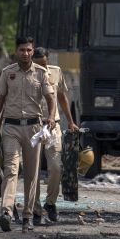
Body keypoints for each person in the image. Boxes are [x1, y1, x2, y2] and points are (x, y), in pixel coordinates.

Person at [0, 36, 56, 233]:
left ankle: (28, 215)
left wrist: (51, 117)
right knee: (11, 169)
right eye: (22, 50)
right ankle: (6, 212)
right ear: (16, 52)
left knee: (31, 174)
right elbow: (0, 100)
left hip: (34, 129)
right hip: (10, 127)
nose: (25, 53)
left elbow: (50, 99)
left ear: (32, 51)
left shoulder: (41, 73)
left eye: (29, 50)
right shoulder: (7, 73)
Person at [31, 47, 79, 225]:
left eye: (44, 63)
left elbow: (62, 98)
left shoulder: (56, 72)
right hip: (33, 126)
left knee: (56, 167)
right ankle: (35, 209)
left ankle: (50, 203)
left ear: (47, 59)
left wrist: (71, 121)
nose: (41, 67)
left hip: (53, 127)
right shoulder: (27, 74)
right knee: (33, 172)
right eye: (38, 64)